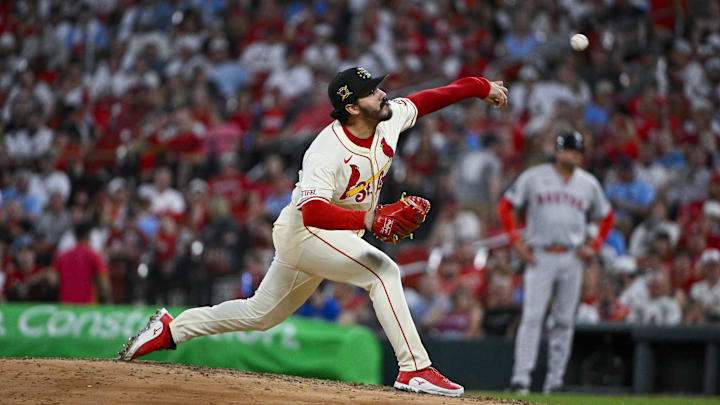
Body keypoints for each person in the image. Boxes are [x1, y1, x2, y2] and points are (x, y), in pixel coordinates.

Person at [118, 66, 508, 397]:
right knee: (382, 270)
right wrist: (371, 220)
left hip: (334, 235)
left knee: (260, 313)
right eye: (372, 92)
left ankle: (173, 329)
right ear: (352, 107)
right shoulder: (327, 149)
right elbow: (312, 210)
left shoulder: (387, 119)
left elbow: (430, 98)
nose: (383, 93)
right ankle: (414, 369)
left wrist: (480, 87)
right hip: (306, 231)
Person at [497, 131, 615, 394]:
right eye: (571, 149)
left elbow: (607, 217)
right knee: (532, 318)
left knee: (563, 320)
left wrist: (594, 247)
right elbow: (505, 207)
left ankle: (555, 381)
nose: (575, 154)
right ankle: (521, 379)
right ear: (558, 151)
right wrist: (517, 243)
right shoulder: (534, 177)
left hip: (572, 257)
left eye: (579, 150)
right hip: (540, 255)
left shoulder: (588, 183)